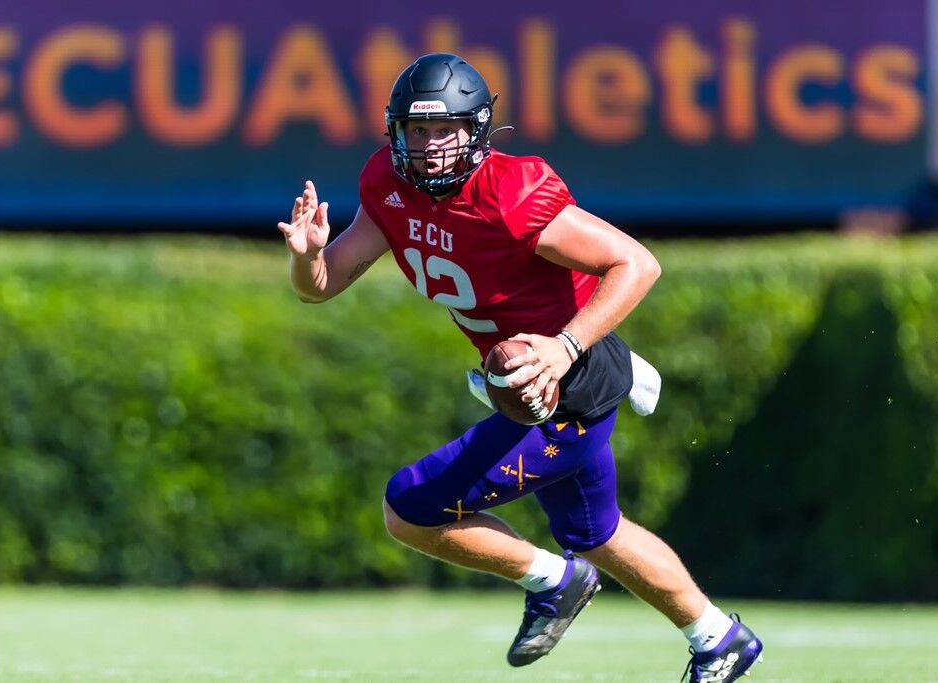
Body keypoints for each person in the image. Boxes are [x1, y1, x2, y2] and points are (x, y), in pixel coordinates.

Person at [278, 53, 763, 682]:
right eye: (416, 131)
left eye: (444, 130)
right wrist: (305, 256)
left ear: (476, 130)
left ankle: (554, 580)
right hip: (520, 382)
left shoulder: (510, 194)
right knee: (595, 530)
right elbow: (322, 285)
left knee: (410, 507)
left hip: (565, 385)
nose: (428, 147)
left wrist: (564, 347)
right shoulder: (388, 189)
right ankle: (717, 636)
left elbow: (636, 264)